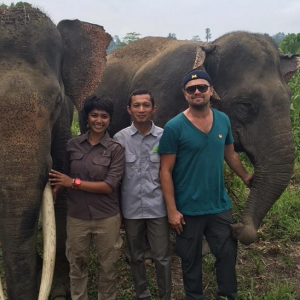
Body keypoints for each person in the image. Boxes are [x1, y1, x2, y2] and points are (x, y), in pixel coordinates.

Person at [158, 70, 253, 300]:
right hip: (187, 209)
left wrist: (245, 176)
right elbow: (165, 170)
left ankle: (227, 295)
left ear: (211, 90)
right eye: (191, 89)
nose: (197, 92)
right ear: (185, 94)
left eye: (202, 87)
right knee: (190, 261)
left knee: (227, 257)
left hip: (219, 206)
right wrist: (172, 210)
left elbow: (229, 154)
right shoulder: (174, 126)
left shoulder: (223, 120)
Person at [49, 95, 125, 300]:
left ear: (110, 119)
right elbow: (63, 176)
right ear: (86, 118)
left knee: (108, 267)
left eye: (104, 116)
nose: (99, 120)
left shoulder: (116, 149)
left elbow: (109, 186)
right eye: (94, 115)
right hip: (77, 218)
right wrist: (55, 193)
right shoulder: (72, 145)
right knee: (77, 265)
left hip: (106, 218)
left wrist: (73, 183)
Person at [113, 89, 172, 300]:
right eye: (136, 105)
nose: (141, 109)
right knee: (136, 256)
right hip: (130, 209)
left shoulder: (165, 136)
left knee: (162, 257)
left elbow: (172, 173)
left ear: (154, 109)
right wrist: (117, 210)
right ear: (129, 110)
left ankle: (165, 296)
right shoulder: (120, 138)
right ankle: (143, 294)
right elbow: (116, 179)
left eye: (146, 105)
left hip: (158, 207)